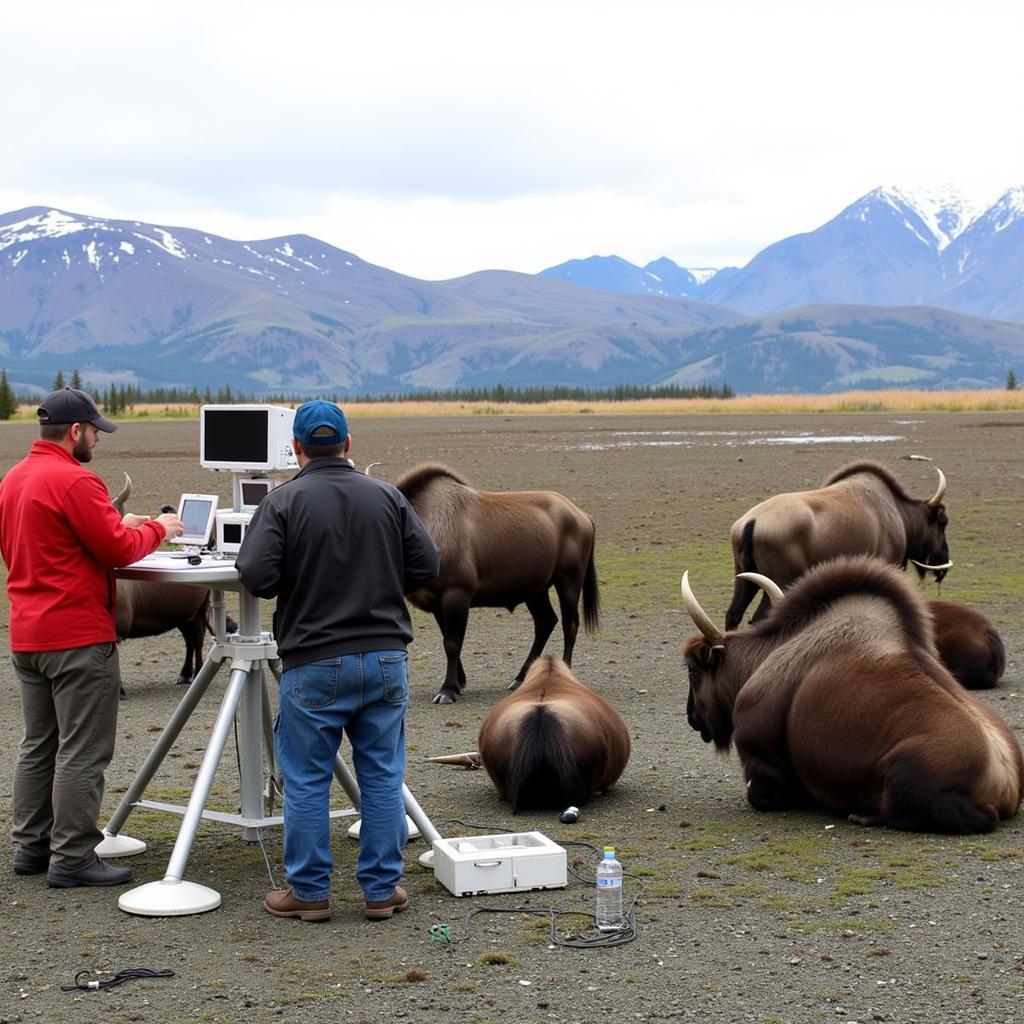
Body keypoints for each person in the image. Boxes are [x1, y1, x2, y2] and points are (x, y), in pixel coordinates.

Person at [236, 400, 438, 922]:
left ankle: (309, 893)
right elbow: (426, 564)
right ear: (349, 444)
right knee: (382, 774)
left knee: (306, 779)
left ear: (296, 449)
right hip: (387, 658)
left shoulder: (281, 503)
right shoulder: (388, 496)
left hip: (315, 662)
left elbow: (256, 577)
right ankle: (380, 890)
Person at [0, 387, 185, 887]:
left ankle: (31, 847)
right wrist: (160, 529)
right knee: (83, 749)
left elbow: (52, 541)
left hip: (29, 634)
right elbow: (119, 551)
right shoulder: (77, 480)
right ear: (76, 431)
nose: (97, 442)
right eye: (94, 432)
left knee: (39, 743)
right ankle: (74, 856)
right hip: (78, 637)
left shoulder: (15, 479)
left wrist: (114, 521)